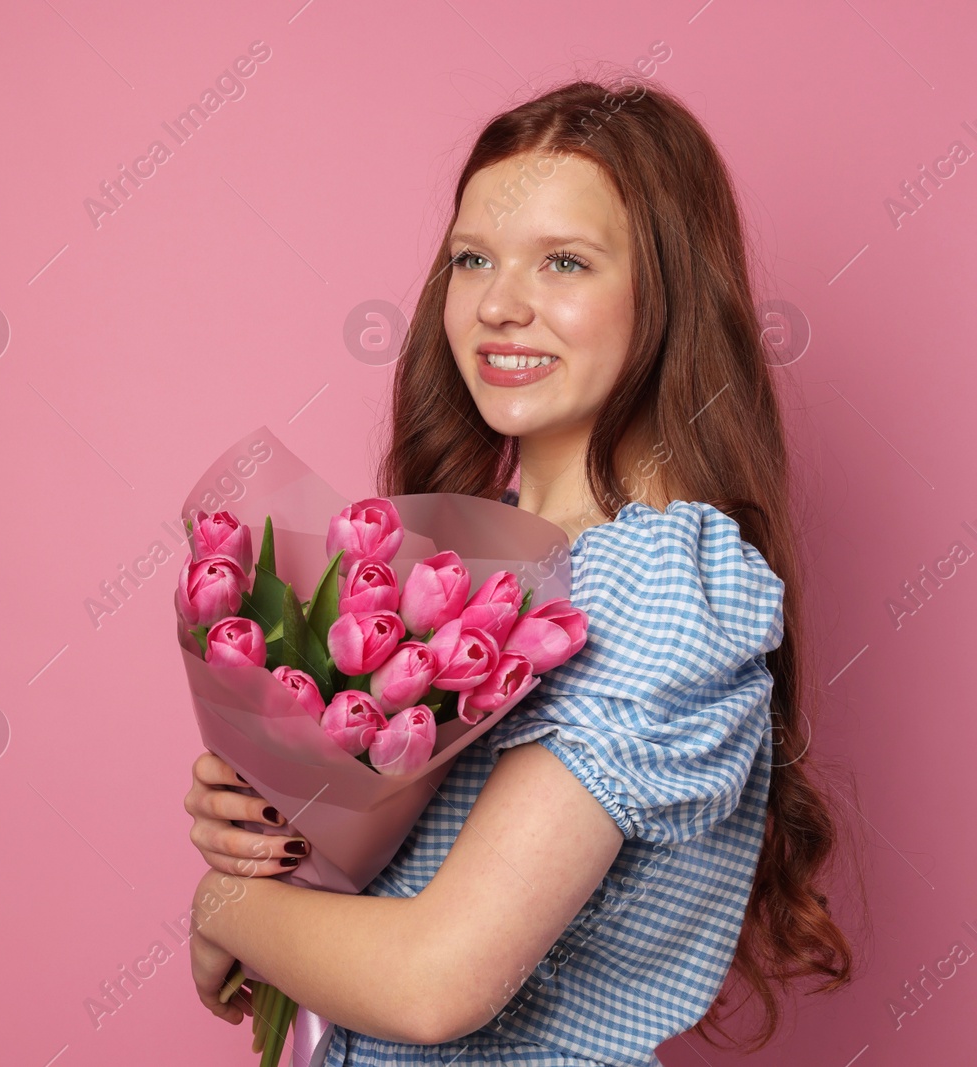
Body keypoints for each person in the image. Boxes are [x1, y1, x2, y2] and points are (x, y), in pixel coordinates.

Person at [182, 76, 857, 1065]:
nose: (499, 304)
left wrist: (225, 905)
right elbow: (385, 900)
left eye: (564, 262)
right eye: (471, 259)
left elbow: (433, 978)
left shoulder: (658, 586)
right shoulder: (467, 562)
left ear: (663, 293)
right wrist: (277, 828)